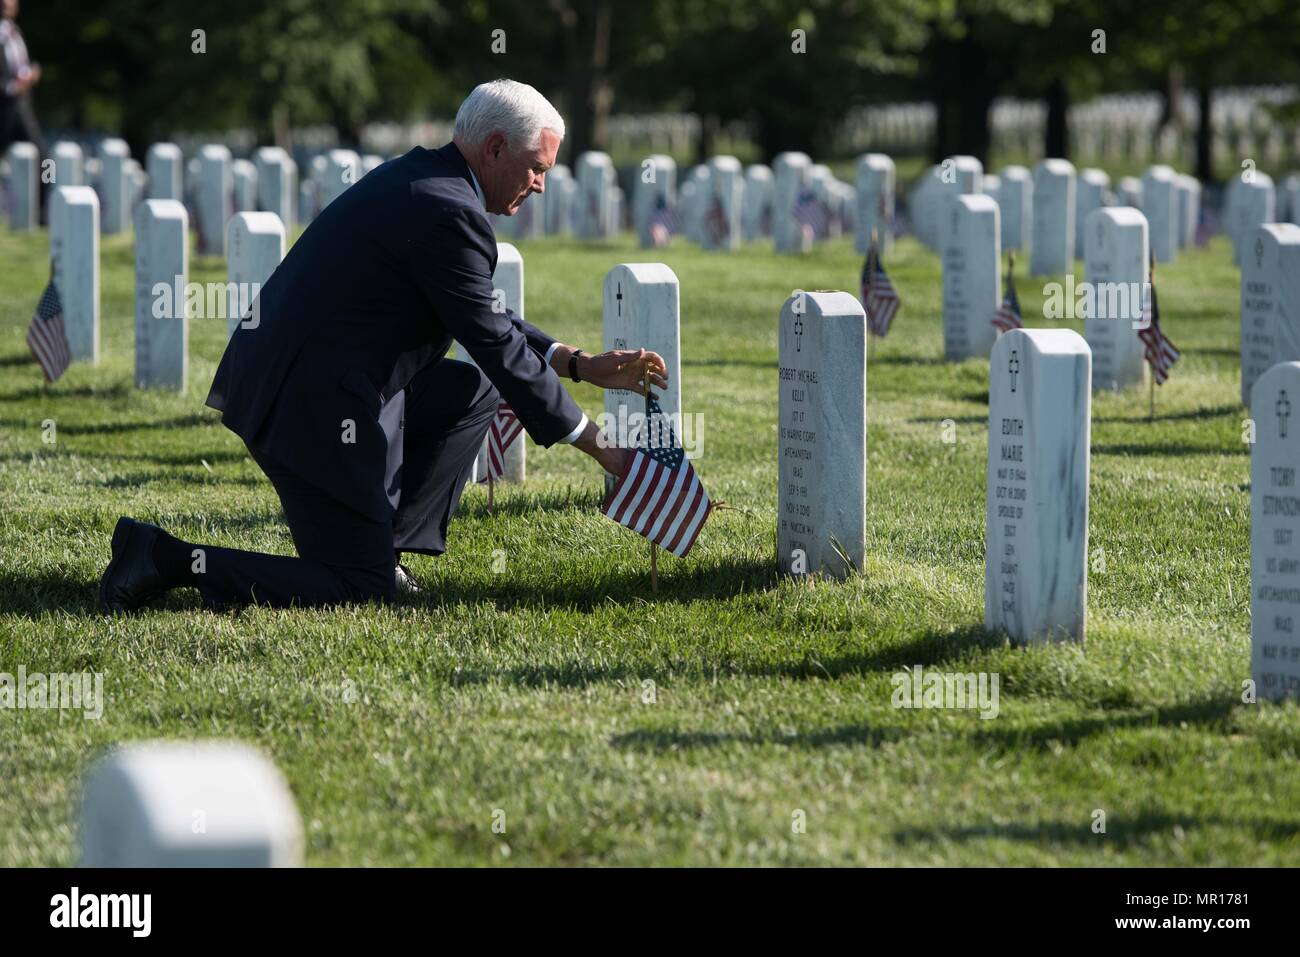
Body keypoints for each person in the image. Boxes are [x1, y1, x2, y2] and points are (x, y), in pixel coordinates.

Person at [99, 79, 666, 612]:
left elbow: (484, 311)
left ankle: (384, 545)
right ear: (495, 148)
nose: (540, 183)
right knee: (358, 589)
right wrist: (603, 450)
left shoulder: (428, 180)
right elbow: (493, 341)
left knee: (471, 391)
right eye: (536, 168)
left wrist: (576, 362)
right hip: (307, 404)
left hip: (323, 381)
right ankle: (163, 557)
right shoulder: (448, 209)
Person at [0, 0, 47, 158]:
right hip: (5, 105)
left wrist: (34, 70)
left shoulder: (15, 31)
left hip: (22, 103)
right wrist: (12, 87)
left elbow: (23, 62)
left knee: (42, 155)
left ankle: (50, 182)